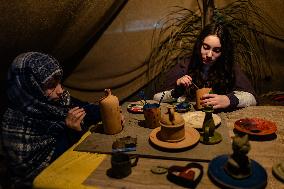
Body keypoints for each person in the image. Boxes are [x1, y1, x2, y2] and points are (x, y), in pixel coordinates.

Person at [0, 52, 123, 188]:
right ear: (31, 86)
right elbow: (41, 173)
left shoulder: (57, 99)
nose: (60, 90)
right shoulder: (15, 124)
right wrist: (70, 132)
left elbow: (84, 108)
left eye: (59, 82)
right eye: (51, 85)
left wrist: (107, 113)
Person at [153, 23, 257, 111]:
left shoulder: (230, 68)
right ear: (199, 45)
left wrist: (228, 100)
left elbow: (252, 99)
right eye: (206, 47)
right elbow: (156, 98)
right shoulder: (184, 67)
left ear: (223, 52)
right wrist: (176, 91)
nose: (209, 55)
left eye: (216, 50)